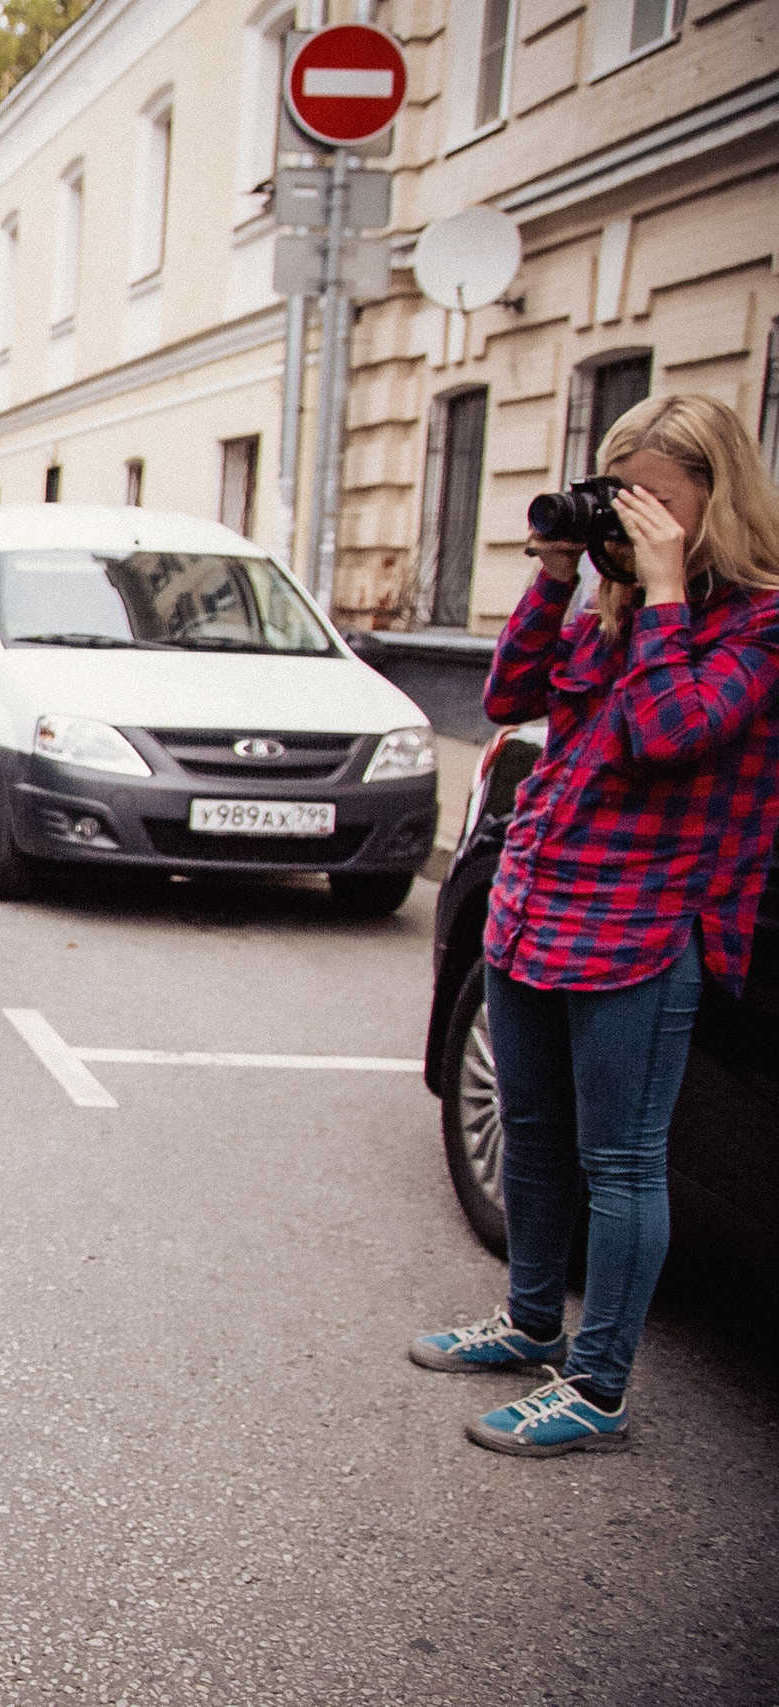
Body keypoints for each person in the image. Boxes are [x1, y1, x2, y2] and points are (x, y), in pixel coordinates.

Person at [411, 393, 779, 1456]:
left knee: (621, 1160)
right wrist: (557, 574)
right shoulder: (609, 606)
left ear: (718, 498)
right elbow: (510, 692)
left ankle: (598, 1387)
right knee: (533, 1133)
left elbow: (670, 734)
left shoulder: (756, 622)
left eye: (658, 503)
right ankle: (528, 1323)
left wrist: (663, 593)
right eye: (623, 499)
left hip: (644, 924)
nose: (636, 522)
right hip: (537, 900)